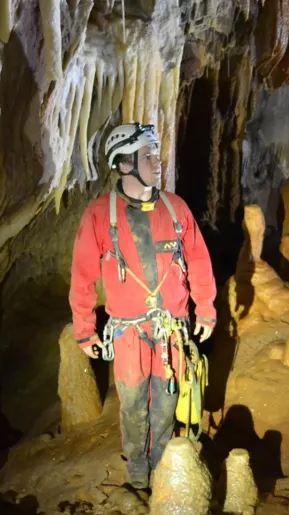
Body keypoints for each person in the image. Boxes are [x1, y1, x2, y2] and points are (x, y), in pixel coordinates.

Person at [68, 122, 217, 489]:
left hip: (171, 331)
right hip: (129, 332)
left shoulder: (175, 207)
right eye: (147, 156)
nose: (158, 161)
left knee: (166, 403)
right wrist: (85, 330)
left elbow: (198, 260)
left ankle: (163, 468)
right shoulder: (101, 215)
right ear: (123, 164)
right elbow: (83, 276)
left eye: (156, 153)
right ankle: (137, 471)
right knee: (133, 404)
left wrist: (206, 308)